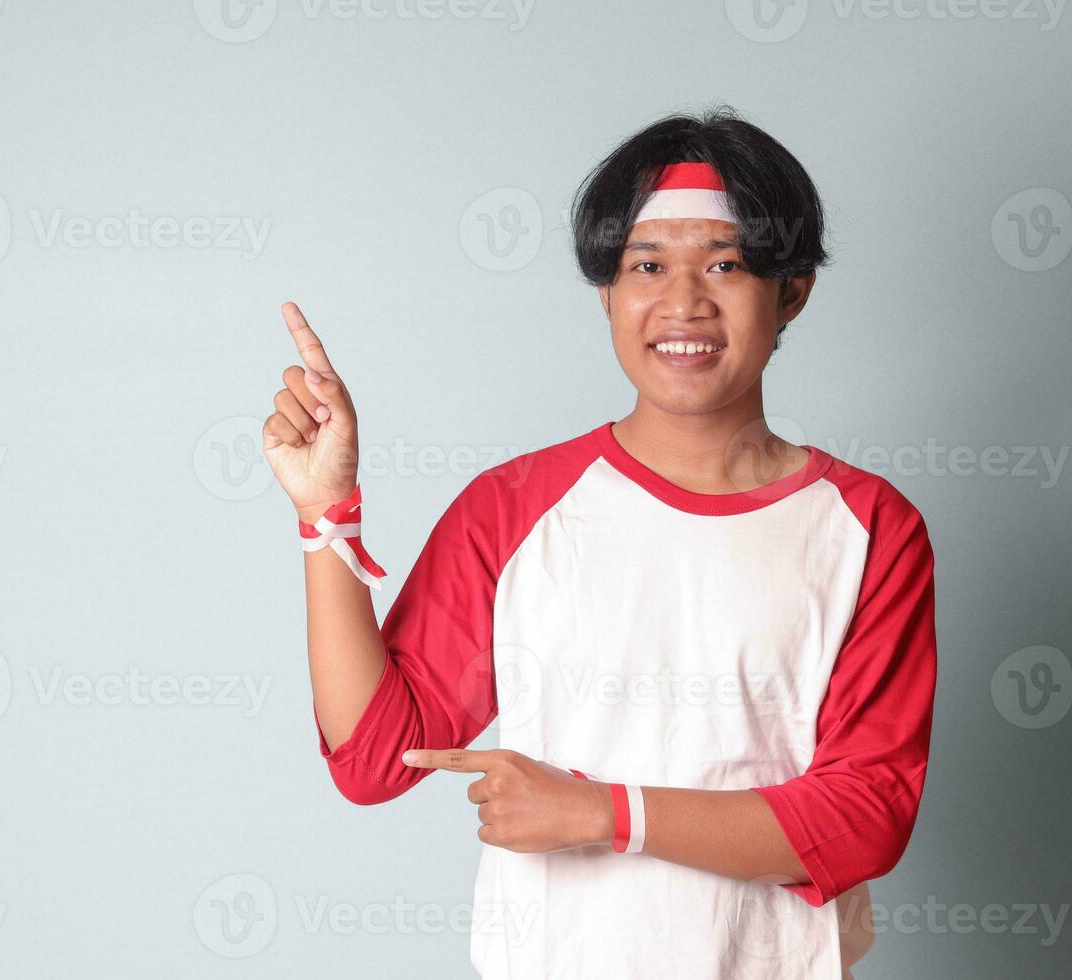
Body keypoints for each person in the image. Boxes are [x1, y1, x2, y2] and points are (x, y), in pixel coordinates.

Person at [260, 105, 936, 979]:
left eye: (725, 264)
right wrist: (327, 516)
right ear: (609, 293)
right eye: (647, 264)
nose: (683, 300)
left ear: (791, 291)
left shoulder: (867, 528)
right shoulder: (514, 507)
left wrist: (603, 814)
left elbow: (862, 818)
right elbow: (377, 758)